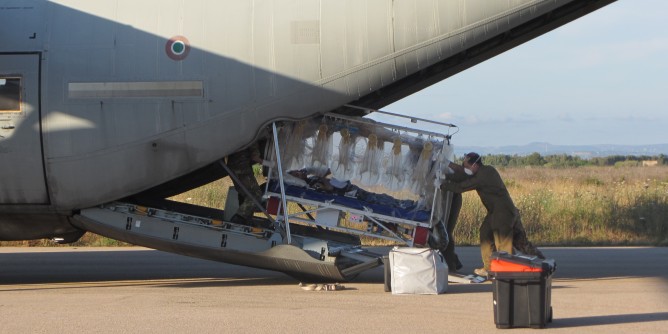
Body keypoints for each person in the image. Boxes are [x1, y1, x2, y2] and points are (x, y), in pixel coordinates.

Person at [441, 152, 544, 277]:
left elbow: (461, 187)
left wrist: (442, 184)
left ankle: (509, 272)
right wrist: (447, 169)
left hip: (503, 213)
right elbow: (463, 174)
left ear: (474, 165)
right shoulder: (483, 171)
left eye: (466, 166)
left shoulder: (483, 175)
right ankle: (490, 268)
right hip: (499, 212)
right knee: (486, 234)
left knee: (504, 244)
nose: (465, 168)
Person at [226, 142, 266, 226]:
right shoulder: (255, 136)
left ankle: (246, 220)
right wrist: (268, 164)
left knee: (245, 194)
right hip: (241, 167)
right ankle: (238, 218)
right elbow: (255, 158)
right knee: (255, 194)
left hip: (237, 165)